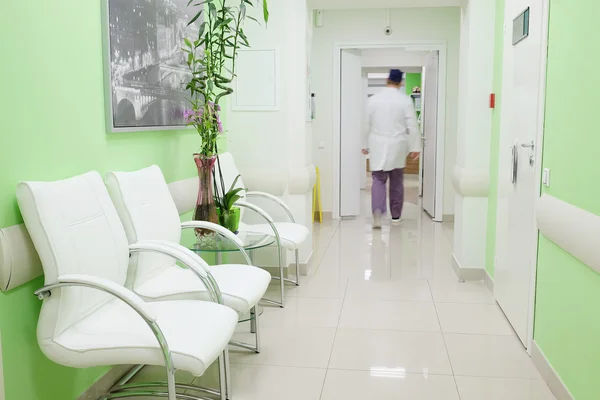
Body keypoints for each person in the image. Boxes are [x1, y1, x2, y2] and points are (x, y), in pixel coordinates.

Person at [362, 69, 420, 229]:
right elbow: (412, 126)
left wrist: (364, 145)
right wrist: (416, 147)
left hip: (378, 143)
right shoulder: (405, 100)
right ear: (401, 82)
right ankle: (396, 216)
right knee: (396, 180)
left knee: (378, 179)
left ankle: (377, 213)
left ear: (387, 80)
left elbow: (366, 125)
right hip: (398, 144)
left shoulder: (373, 100)